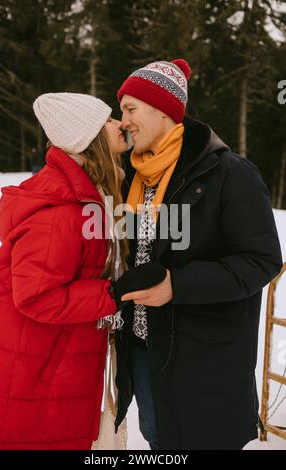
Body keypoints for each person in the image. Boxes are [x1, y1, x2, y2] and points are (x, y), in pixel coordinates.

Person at [114, 59, 283, 450]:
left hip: (204, 361)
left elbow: (262, 260)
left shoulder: (230, 173)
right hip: (144, 351)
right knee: (161, 442)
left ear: (163, 109)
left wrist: (178, 285)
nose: (122, 120)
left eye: (130, 109)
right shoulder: (132, 175)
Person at [0, 92, 132, 450]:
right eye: (110, 120)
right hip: (37, 366)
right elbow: (38, 295)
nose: (120, 125)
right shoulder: (62, 212)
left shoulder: (85, 192)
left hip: (47, 357)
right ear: (90, 139)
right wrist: (113, 294)